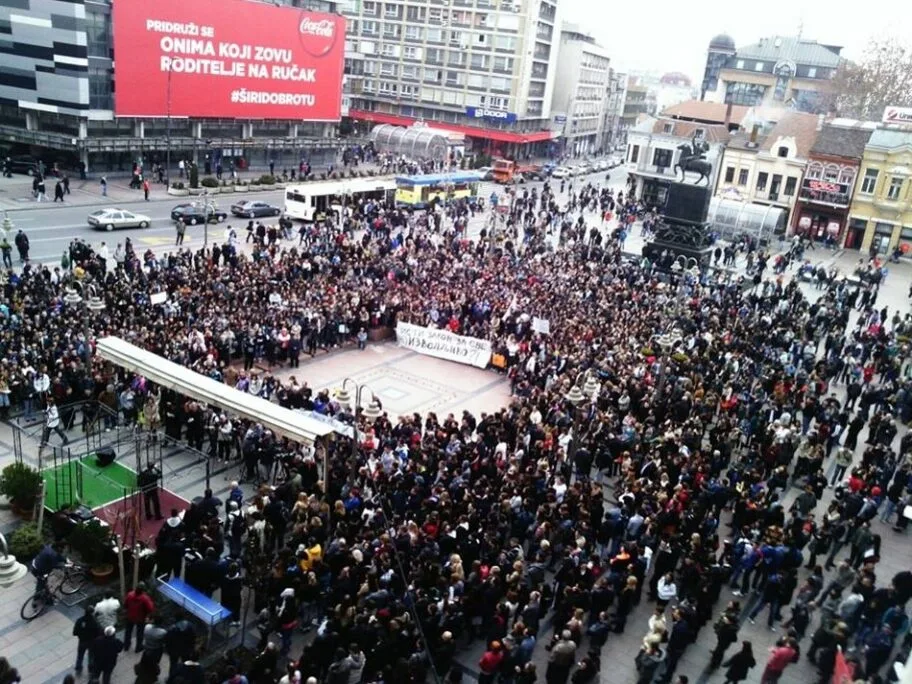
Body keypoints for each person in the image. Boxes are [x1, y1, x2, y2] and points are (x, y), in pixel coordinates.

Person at [123, 582, 155, 652]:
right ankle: (138, 648)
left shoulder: (130, 594)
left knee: (128, 632)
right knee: (139, 633)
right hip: (140, 618)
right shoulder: (145, 598)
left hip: (130, 616)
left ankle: (126, 646)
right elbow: (150, 609)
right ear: (143, 590)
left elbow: (125, 605)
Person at [73, 605, 101, 675]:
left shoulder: (79, 620)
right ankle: (90, 667)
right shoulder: (95, 623)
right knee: (91, 655)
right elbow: (98, 633)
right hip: (91, 642)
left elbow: (74, 632)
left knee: (80, 655)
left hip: (82, 641)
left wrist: (80, 635)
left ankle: (78, 667)